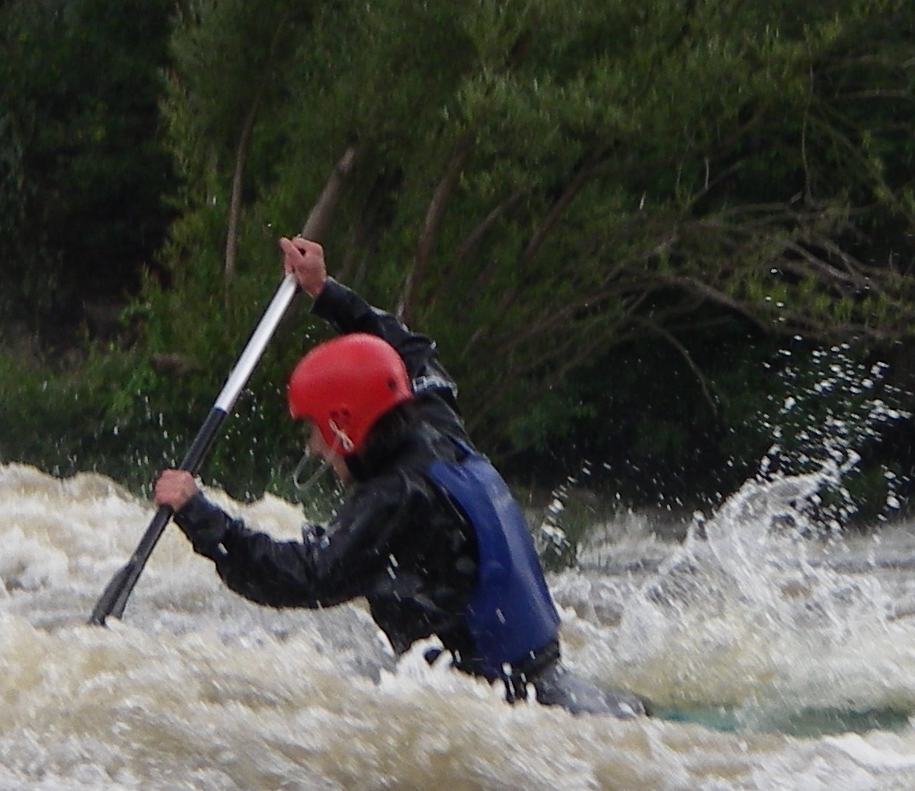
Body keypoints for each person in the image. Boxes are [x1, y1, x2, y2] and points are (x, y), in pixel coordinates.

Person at [152, 235, 648, 715]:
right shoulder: (435, 421)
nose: (313, 446)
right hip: (556, 684)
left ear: (343, 425)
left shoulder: (395, 500)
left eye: (314, 428)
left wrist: (200, 515)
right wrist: (327, 293)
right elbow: (409, 352)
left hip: (511, 709)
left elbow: (305, 577)